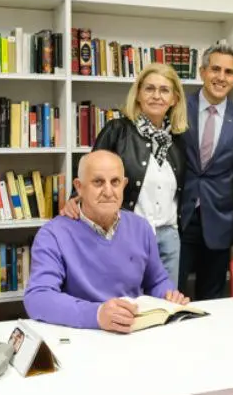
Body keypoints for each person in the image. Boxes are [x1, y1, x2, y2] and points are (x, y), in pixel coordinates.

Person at [24, 150, 189, 395]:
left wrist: (168, 294)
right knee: (104, 393)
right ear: (78, 187)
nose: (108, 191)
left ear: (126, 185)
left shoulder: (140, 228)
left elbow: (156, 279)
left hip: (133, 333)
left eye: (115, 182)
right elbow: (37, 297)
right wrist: (97, 313)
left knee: (183, 378)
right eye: (97, 182)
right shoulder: (54, 233)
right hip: (84, 340)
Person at [60, 63, 188, 285]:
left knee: (167, 304)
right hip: (127, 235)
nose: (156, 96)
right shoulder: (117, 131)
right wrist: (75, 199)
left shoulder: (178, 140)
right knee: (128, 304)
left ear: (174, 99)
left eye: (164, 90)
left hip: (169, 238)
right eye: (149, 89)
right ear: (138, 94)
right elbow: (91, 171)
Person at [180, 43, 233, 300]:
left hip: (219, 223)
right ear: (202, 72)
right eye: (215, 69)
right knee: (172, 292)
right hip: (180, 216)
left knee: (212, 299)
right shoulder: (179, 107)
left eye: (228, 72)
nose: (221, 77)